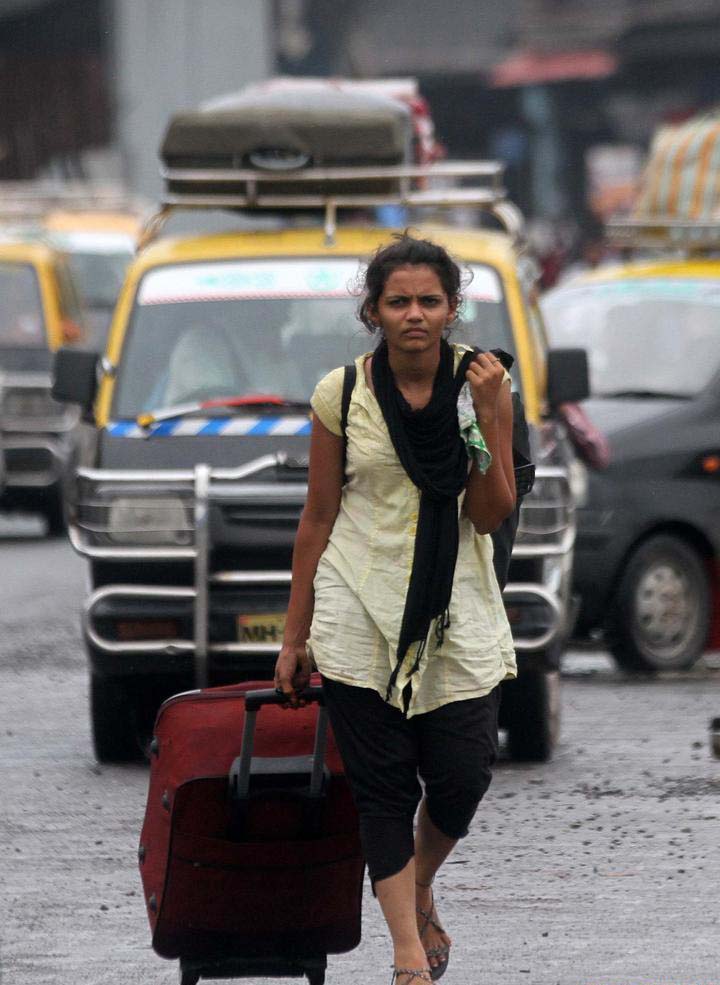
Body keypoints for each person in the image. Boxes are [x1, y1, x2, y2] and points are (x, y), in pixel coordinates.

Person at [274, 234, 517, 985]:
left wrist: (491, 418)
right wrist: (294, 635)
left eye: (429, 301)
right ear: (373, 311)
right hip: (358, 605)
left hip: (457, 603)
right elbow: (317, 518)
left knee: (462, 772)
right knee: (381, 786)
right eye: (398, 301)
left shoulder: (483, 382)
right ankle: (407, 952)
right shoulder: (341, 394)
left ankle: (418, 880)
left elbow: (491, 510)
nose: (415, 314)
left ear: (452, 309)